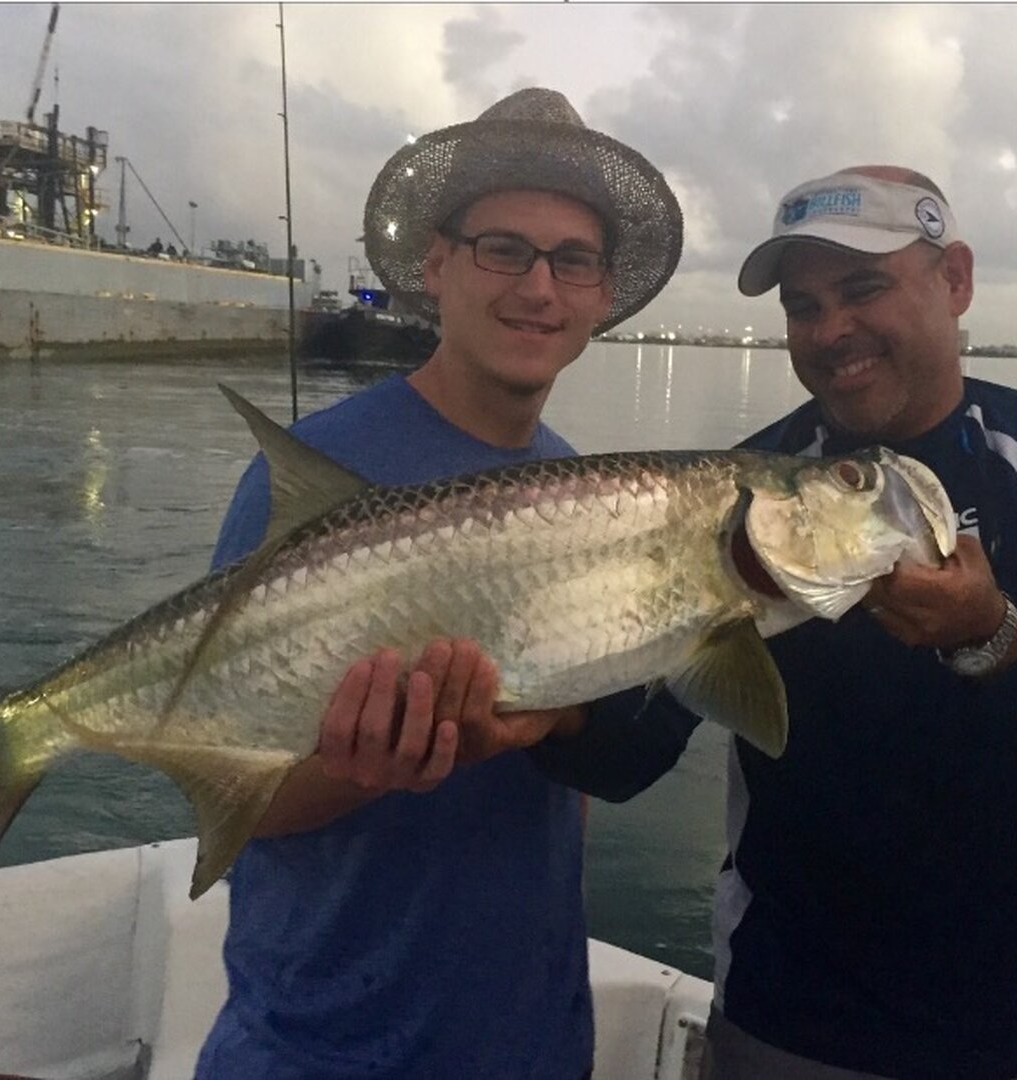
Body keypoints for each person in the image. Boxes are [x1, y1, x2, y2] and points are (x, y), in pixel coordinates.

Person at [530, 166, 1017, 1078]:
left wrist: (991, 635)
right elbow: (625, 759)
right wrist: (530, 705)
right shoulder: (748, 490)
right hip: (784, 1020)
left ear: (955, 281)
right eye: (803, 306)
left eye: (862, 288)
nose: (829, 330)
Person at [193, 88, 682, 1080]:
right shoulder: (311, 473)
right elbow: (230, 791)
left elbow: (566, 783)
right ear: (437, 263)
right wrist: (365, 762)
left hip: (533, 1041)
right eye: (504, 248)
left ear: (598, 294)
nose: (538, 288)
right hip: (323, 1050)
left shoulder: (582, 486)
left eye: (571, 260)